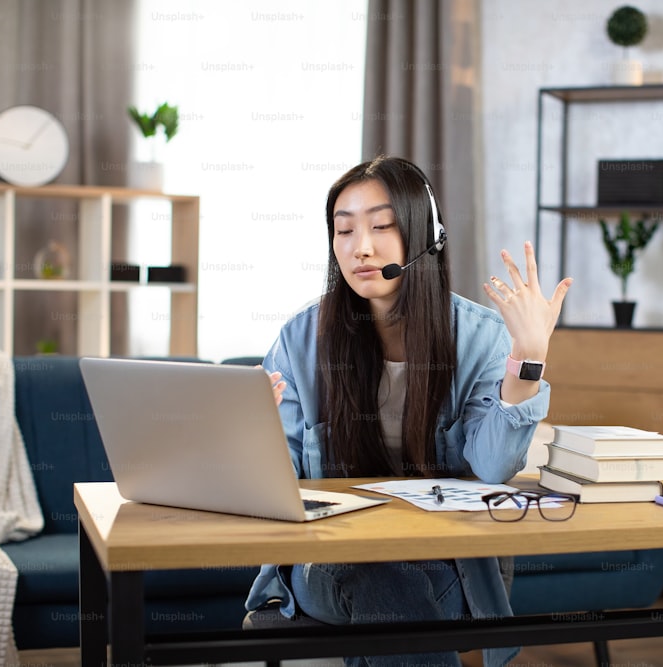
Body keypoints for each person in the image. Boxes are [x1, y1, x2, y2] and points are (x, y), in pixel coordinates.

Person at [244, 155, 572, 667]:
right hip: (329, 561)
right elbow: (276, 493)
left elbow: (492, 467)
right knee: (378, 578)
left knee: (396, 598)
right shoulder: (302, 340)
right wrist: (253, 436)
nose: (361, 247)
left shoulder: (480, 336)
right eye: (344, 230)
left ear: (425, 236)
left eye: (381, 226)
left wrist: (527, 359)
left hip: (447, 562)